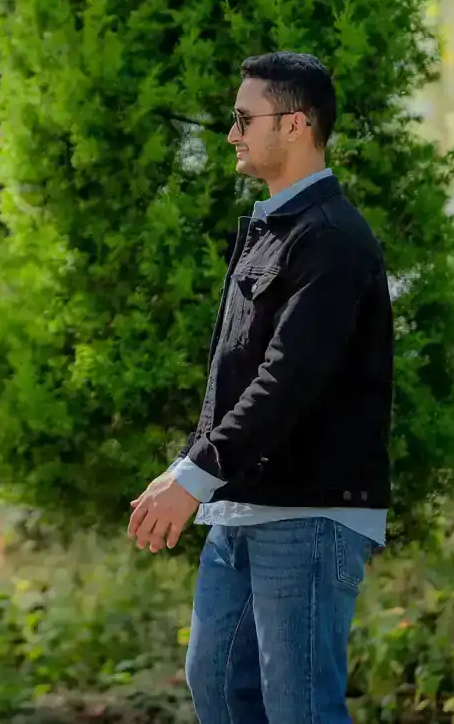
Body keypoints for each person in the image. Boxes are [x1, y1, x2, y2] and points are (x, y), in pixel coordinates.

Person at [128, 52, 394, 724]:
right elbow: (236, 375)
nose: (231, 133)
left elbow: (289, 378)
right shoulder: (267, 231)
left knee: (300, 710)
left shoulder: (333, 240)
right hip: (241, 508)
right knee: (218, 689)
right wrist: (192, 468)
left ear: (296, 124)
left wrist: (195, 474)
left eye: (245, 118)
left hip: (310, 514)